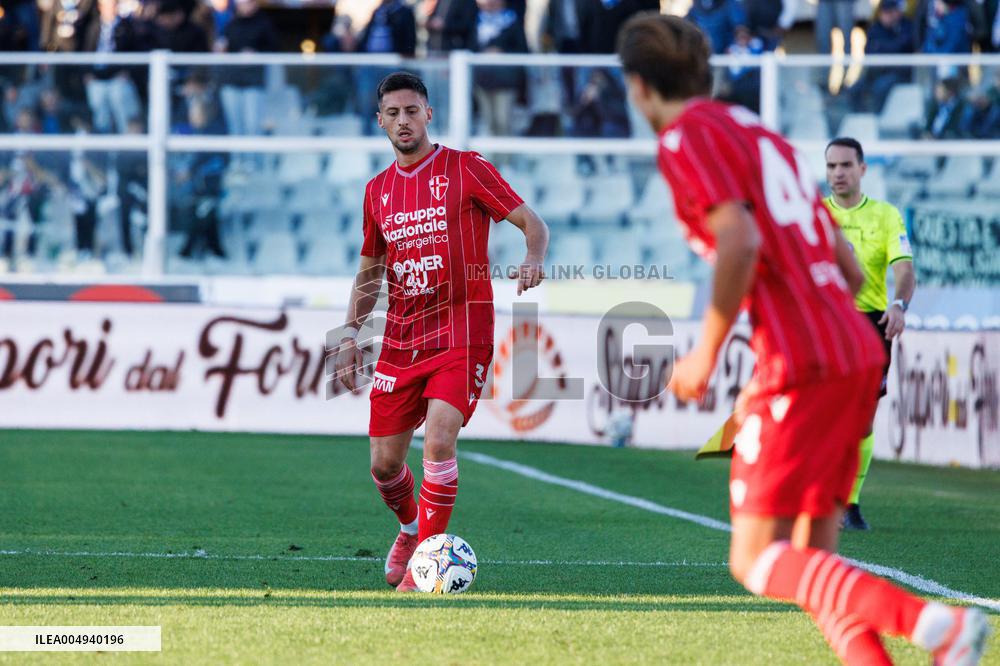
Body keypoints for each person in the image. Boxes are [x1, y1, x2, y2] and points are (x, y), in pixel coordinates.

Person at [617, 14, 988, 666]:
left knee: (756, 557)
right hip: (853, 347)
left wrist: (704, 352)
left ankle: (936, 625)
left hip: (800, 362)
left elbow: (741, 240)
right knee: (814, 565)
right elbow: (846, 263)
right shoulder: (763, 134)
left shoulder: (684, 140)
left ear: (640, 85)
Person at [334, 72, 549, 592]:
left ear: (428, 114)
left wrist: (533, 256)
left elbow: (531, 223)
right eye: (393, 113)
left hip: (462, 331)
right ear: (380, 121)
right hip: (402, 339)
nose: (403, 121)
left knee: (437, 442)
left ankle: (421, 570)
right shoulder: (377, 192)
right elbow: (369, 273)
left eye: (412, 111)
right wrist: (347, 335)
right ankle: (410, 530)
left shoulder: (466, 168)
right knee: (385, 467)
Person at [823, 137, 916, 531]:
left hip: (869, 323)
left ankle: (851, 503)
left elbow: (904, 270)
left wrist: (899, 305)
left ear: (862, 169)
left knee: (862, 418)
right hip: (823, 321)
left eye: (845, 165)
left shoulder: (886, 215)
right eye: (831, 166)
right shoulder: (813, 215)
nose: (838, 173)